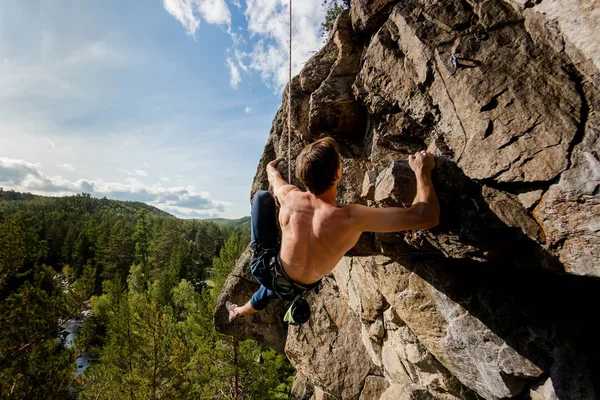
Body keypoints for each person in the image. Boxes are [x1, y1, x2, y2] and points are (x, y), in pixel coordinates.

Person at [226, 137, 439, 322]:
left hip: (269, 273)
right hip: (300, 286)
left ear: (302, 177)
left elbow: (274, 180)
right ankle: (239, 311)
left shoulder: (290, 198)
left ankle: (238, 312)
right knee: (273, 289)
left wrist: (270, 169)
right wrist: (422, 171)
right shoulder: (352, 218)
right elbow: (425, 216)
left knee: (262, 197)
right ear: (337, 174)